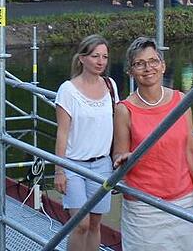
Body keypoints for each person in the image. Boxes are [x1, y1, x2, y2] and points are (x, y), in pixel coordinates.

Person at [113, 36, 193, 251]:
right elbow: (118, 155)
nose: (147, 68)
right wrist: (122, 159)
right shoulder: (124, 109)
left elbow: (191, 150)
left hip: (184, 201)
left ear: (163, 66)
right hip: (144, 206)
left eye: (153, 61)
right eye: (139, 63)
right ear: (130, 71)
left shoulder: (181, 101)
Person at [54, 34, 117, 251]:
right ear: (82, 58)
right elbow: (62, 133)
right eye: (95, 56)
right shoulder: (68, 90)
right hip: (74, 164)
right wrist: (59, 170)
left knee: (95, 223)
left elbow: (117, 124)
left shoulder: (110, 85)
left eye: (105, 57)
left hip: (102, 164)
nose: (101, 61)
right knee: (81, 223)